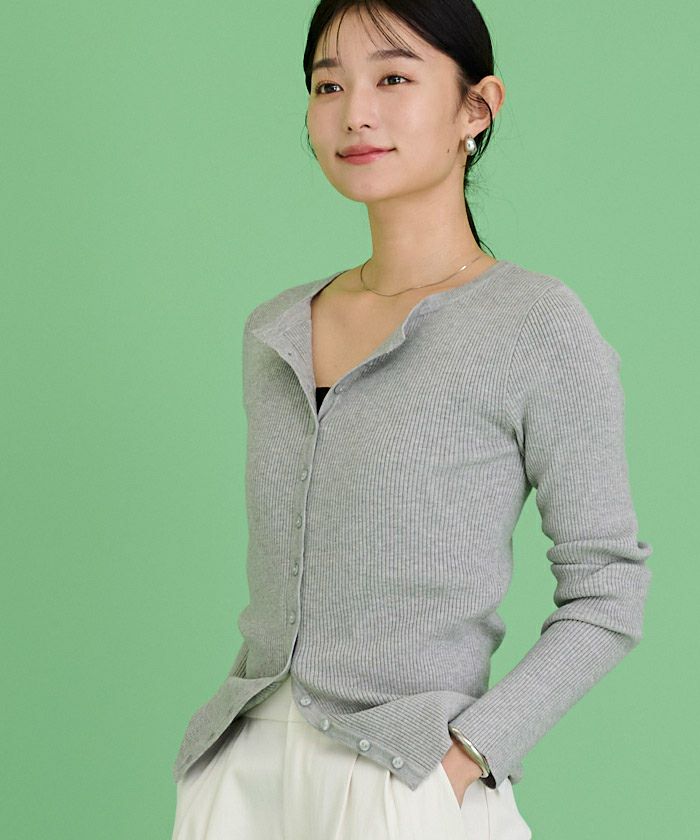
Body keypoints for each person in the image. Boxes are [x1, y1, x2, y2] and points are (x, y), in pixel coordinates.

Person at [170, 2, 653, 838]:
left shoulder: (535, 324)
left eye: (393, 78)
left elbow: (609, 589)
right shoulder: (275, 329)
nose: (355, 112)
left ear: (477, 108)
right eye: (329, 86)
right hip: (240, 777)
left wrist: (465, 758)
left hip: (408, 778)